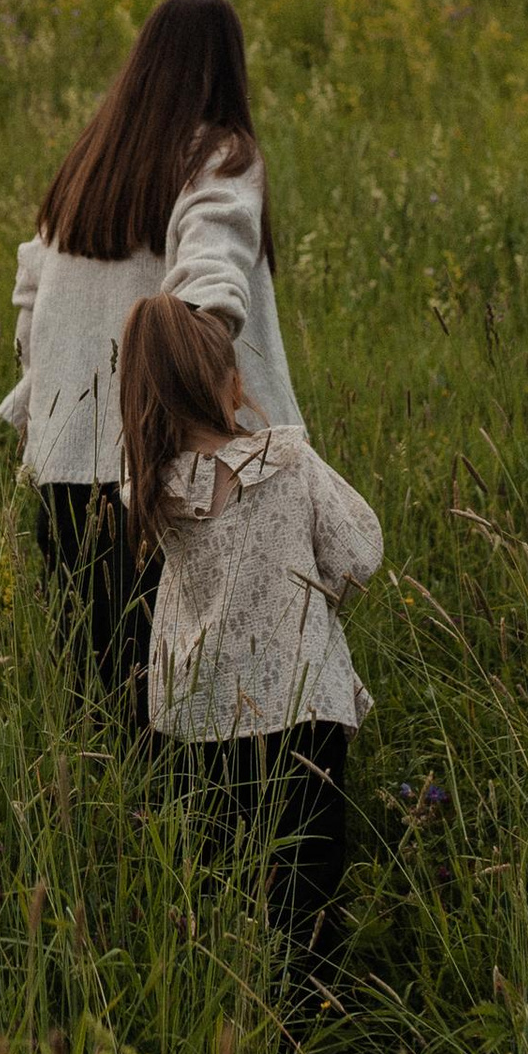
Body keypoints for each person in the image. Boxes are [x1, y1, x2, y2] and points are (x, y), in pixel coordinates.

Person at [0, 0, 297, 714]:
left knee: (103, 712)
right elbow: (212, 285)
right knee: (209, 716)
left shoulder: (87, 166)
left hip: (66, 476)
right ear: (226, 67)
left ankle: (114, 833)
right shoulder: (219, 156)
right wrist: (197, 403)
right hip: (163, 478)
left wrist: (51, 403)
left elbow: (29, 303)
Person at [114, 291, 380, 982]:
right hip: (302, 714)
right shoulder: (286, 463)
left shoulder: (149, 487)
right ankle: (312, 1034)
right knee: (308, 891)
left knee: (224, 882)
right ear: (231, 385)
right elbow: (358, 553)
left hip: (198, 723)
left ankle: (239, 1011)